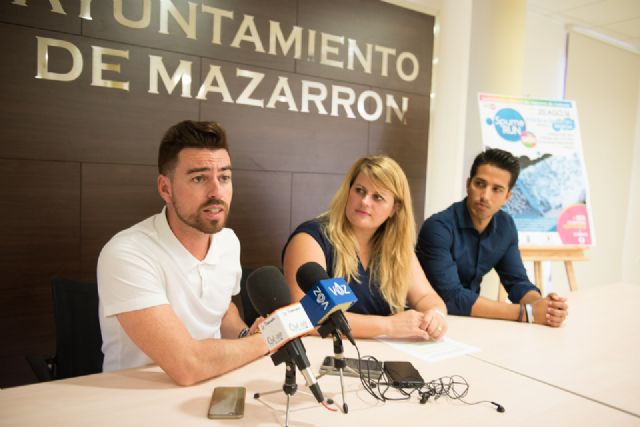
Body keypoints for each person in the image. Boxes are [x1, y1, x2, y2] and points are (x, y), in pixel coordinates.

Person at [97, 120, 267, 386]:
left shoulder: (228, 242)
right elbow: (188, 365)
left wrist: (246, 335)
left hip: (213, 384)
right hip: (136, 398)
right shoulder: (127, 253)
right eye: (199, 178)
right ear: (165, 188)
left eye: (224, 177)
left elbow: (222, 311)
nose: (216, 191)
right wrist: (265, 342)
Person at [283, 155, 448, 340]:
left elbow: (425, 296)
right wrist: (388, 326)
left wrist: (435, 315)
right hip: (325, 351)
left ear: (395, 208)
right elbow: (303, 315)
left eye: (377, 197)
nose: (364, 201)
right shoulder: (310, 239)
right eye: (359, 190)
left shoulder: (396, 247)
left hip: (381, 351)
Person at [416, 148, 568, 327]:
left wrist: (543, 306)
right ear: (468, 184)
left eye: (497, 189)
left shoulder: (505, 226)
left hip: (471, 322)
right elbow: (451, 296)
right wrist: (526, 313)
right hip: (428, 320)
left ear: (507, 196)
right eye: (480, 184)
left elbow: (517, 282)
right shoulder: (437, 227)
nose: (485, 196)